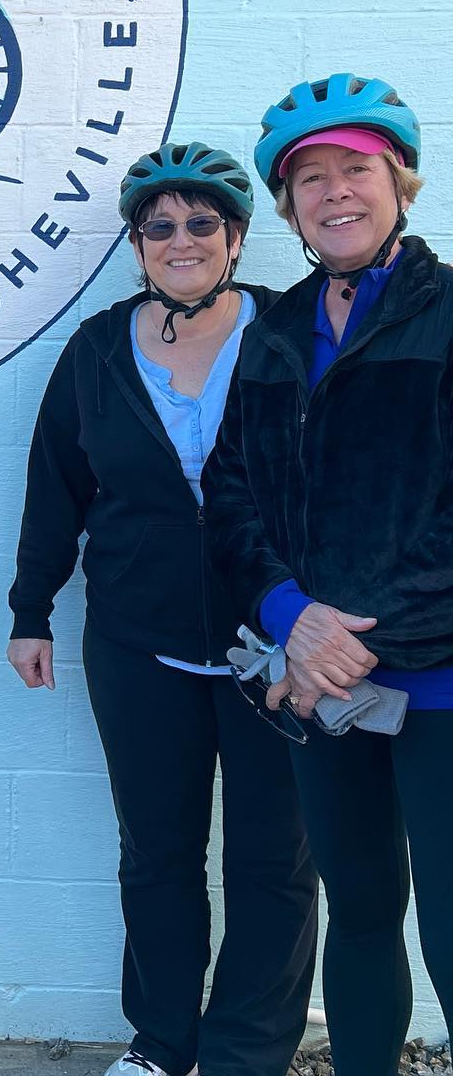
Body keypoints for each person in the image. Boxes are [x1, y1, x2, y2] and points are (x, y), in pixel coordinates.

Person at [6, 141, 317, 1076]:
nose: (180, 240)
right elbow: (55, 483)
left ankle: (247, 1053)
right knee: (156, 853)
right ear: (138, 243)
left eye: (201, 223)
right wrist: (32, 607)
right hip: (138, 642)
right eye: (159, 227)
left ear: (235, 236)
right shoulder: (98, 349)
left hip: (277, 642)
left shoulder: (291, 335)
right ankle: (163, 1044)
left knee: (272, 861)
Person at [203, 74, 453, 1076]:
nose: (333, 192)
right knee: (357, 913)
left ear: (401, 184)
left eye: (355, 168)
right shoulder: (275, 331)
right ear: (287, 204)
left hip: (435, 680)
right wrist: (291, 615)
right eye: (309, 177)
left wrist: (355, 636)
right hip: (320, 684)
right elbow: (232, 493)